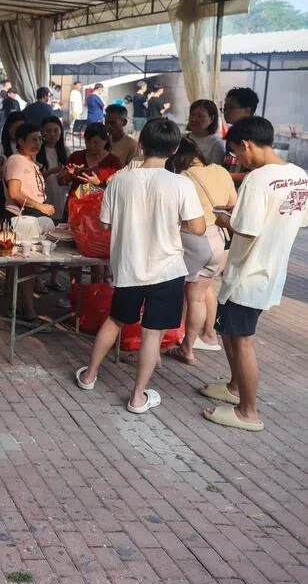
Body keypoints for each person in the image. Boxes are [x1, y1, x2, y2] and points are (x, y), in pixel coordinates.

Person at [73, 118, 205, 414]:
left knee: (115, 320)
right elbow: (197, 228)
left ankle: (89, 375)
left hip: (129, 267)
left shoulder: (119, 180)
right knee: (152, 332)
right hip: (167, 269)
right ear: (174, 149)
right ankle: (137, 396)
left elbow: (105, 223)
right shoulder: (181, 183)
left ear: (141, 145)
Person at [200, 117, 308, 431]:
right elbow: (294, 220)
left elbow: (245, 231)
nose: (239, 160)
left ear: (247, 144)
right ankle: (235, 388)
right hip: (271, 271)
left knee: (242, 341)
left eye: (237, 153)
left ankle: (248, 412)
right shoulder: (299, 175)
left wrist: (222, 219)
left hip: (248, 275)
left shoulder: (257, 180)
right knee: (230, 333)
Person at [164, 139, 236, 364]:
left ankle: (159, 343)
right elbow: (233, 203)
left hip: (192, 238)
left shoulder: (182, 179)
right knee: (196, 298)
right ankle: (187, 348)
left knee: (168, 294)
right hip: (218, 240)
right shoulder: (221, 171)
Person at [2, 123, 58, 321]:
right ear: (20, 141)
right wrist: (40, 206)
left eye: (39, 139)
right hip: (23, 217)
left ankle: (16, 307)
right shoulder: (16, 160)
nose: (38, 143)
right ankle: (28, 311)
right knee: (27, 266)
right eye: (33, 139)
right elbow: (14, 193)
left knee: (27, 267)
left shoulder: (30, 162)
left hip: (31, 217)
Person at [220, 87, 260, 180]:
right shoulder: (233, 132)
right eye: (224, 108)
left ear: (248, 111)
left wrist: (223, 177)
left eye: (230, 108)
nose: (225, 112)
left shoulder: (254, 135)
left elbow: (255, 174)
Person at [36, 116, 68, 218]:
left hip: (60, 196)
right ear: (41, 132)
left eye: (55, 131)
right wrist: (51, 171)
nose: (52, 134)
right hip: (42, 197)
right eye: (48, 131)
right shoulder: (36, 151)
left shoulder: (65, 151)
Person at [186, 99, 225, 167]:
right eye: (192, 115)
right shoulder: (182, 138)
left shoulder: (216, 143)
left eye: (199, 116)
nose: (193, 119)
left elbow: (214, 170)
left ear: (212, 119)